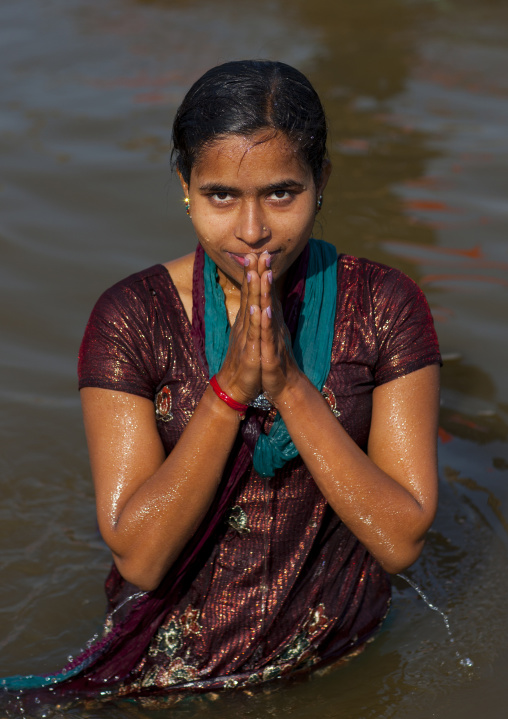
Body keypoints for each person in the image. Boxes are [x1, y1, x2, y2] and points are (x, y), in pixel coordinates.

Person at [2, 59, 441, 701]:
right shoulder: (134, 317)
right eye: (221, 195)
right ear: (185, 185)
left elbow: (401, 540)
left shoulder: (385, 306)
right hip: (167, 673)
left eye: (282, 192)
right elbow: (141, 557)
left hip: (337, 665)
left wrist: (290, 385)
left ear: (322, 181)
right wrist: (231, 389)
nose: (253, 230)